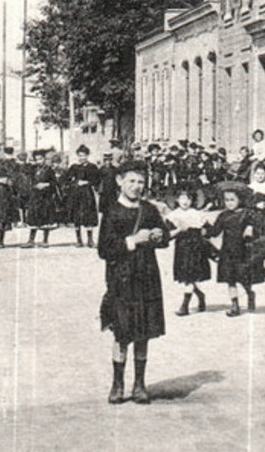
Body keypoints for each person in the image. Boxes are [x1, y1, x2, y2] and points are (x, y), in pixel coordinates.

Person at [98, 164, 170, 404]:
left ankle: (139, 384)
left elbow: (165, 237)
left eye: (140, 182)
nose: (136, 187)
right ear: (120, 181)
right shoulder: (112, 211)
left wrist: (159, 235)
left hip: (147, 276)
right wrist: (134, 240)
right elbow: (104, 249)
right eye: (131, 181)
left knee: (143, 333)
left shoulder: (149, 209)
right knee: (122, 332)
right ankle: (117, 384)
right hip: (121, 279)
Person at [206, 182, 265, 316]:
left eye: (232, 200)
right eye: (226, 200)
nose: (229, 203)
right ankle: (235, 306)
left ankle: (250, 293)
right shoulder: (223, 215)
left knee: (243, 278)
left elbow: (257, 225)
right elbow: (215, 232)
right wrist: (205, 228)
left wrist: (250, 228)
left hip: (243, 250)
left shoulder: (247, 214)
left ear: (240, 200)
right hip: (227, 251)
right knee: (230, 279)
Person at [164, 186, 213, 315]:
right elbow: (167, 235)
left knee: (190, 277)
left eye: (188, 199)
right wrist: (179, 229)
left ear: (192, 200)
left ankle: (184, 307)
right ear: (177, 199)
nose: (185, 201)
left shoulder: (197, 214)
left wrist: (203, 231)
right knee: (186, 278)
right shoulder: (173, 215)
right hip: (182, 248)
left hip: (196, 249)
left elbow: (209, 230)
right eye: (182, 198)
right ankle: (200, 295)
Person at [64, 145, 102, 248]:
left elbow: (97, 180)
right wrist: (76, 182)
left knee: (88, 215)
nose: (82, 158)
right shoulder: (74, 167)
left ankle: (90, 240)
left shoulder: (92, 167)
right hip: (76, 194)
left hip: (87, 194)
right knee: (77, 215)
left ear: (87, 156)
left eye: (84, 155)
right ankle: (79, 240)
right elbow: (67, 179)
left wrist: (87, 182)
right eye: (80, 156)